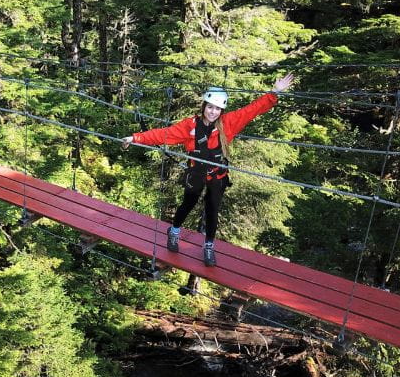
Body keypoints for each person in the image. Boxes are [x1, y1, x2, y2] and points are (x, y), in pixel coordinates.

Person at [121, 74, 295, 266]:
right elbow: (164, 134)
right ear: (204, 106)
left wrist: (274, 92)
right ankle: (174, 231)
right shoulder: (190, 126)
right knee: (188, 204)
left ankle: (209, 246)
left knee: (212, 209)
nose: (213, 112)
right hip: (196, 173)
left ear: (222, 110)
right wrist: (135, 138)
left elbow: (252, 110)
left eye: (217, 109)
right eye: (210, 107)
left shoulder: (228, 123)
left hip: (217, 175)